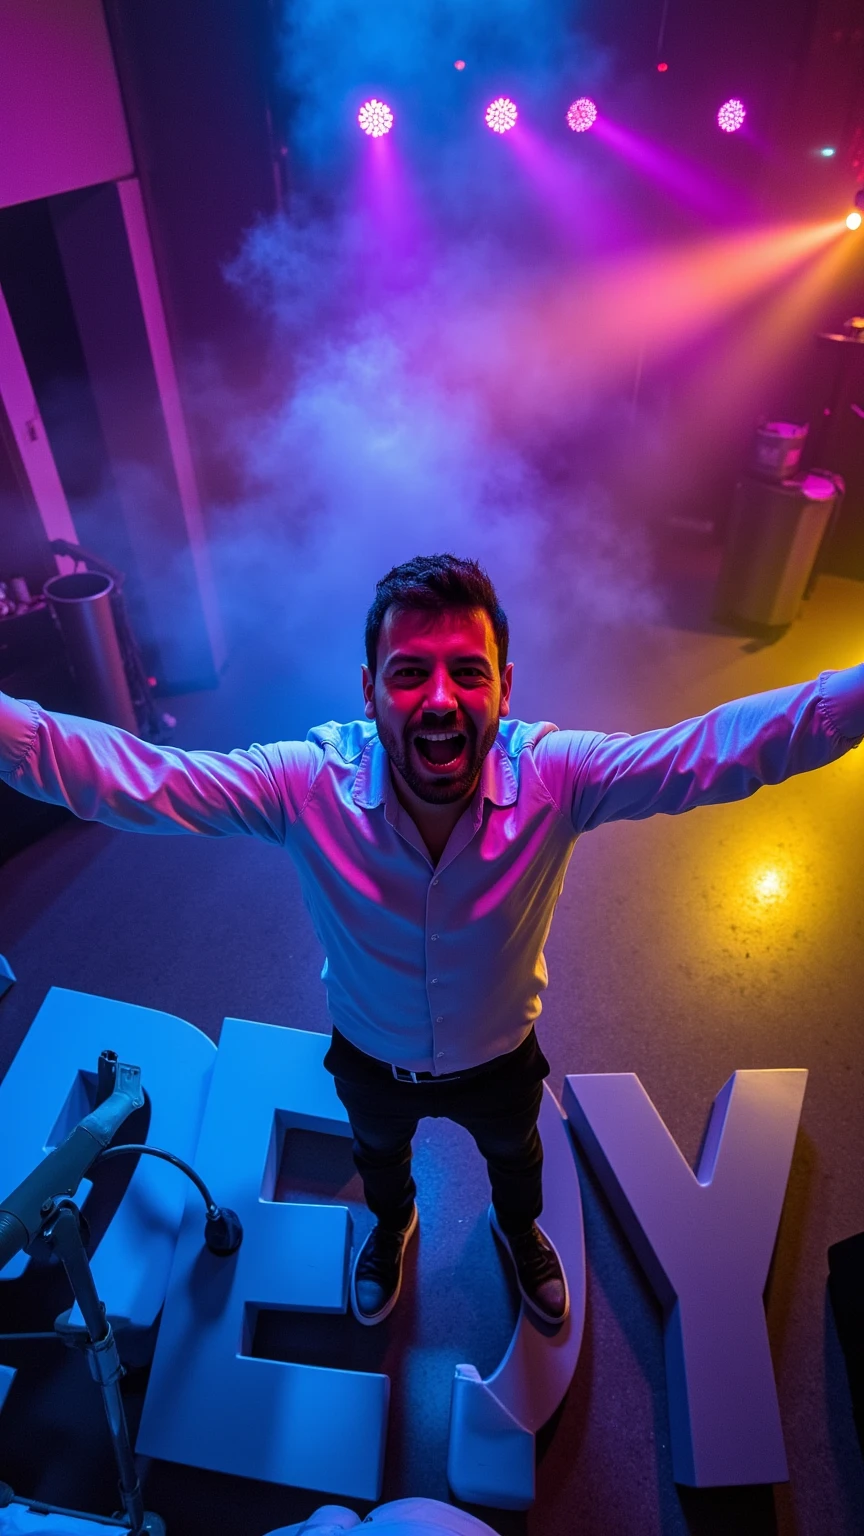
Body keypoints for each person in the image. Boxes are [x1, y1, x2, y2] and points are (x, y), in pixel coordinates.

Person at [1, 554, 862, 1328]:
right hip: (370, 1057)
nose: (441, 698)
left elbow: (716, 751)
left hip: (499, 1056)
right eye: (410, 673)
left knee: (515, 1159)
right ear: (369, 688)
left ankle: (518, 1233)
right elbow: (139, 780)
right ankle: (391, 1228)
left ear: (505, 687)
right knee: (379, 1162)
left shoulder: (556, 775)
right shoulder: (308, 783)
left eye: (467, 672)